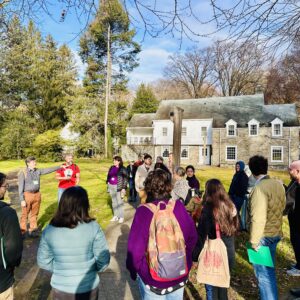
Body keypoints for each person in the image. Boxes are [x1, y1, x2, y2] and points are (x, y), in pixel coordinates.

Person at [126, 169, 198, 299]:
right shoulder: (178, 207)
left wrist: (134, 271)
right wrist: (184, 259)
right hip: (179, 274)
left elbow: (135, 250)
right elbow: (192, 237)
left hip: (152, 279)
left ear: (148, 187)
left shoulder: (143, 212)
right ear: (169, 187)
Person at [37, 186, 110, 299]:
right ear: (85, 205)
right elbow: (103, 259)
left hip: (61, 288)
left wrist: (59, 270)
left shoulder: (49, 230)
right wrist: (93, 270)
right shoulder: (94, 227)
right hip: (88, 287)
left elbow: (43, 261)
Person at [192, 179, 238, 300]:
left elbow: (201, 236)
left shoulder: (208, 210)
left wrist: (194, 256)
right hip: (228, 252)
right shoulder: (230, 206)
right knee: (222, 285)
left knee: (211, 287)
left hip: (213, 255)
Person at [248, 155, 285, 300]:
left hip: (262, 237)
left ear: (252, 171)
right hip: (275, 233)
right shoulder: (278, 184)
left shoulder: (259, 188)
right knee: (269, 273)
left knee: (264, 276)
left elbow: (258, 217)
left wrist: (254, 241)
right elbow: (282, 207)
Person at [18, 156, 61, 237]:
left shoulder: (37, 171)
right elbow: (20, 187)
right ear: (28, 163)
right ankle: (22, 232)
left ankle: (33, 230)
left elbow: (48, 170)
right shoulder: (23, 172)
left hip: (37, 194)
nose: (35, 163)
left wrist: (59, 167)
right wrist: (22, 199)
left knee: (34, 213)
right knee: (25, 214)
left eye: (35, 162)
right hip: (27, 195)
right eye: (34, 162)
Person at [0, 173, 23, 300]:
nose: (6, 188)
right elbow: (14, 248)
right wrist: (12, 265)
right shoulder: (7, 213)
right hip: (2, 280)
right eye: (4, 185)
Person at [285, 160, 300, 276]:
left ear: (298, 171)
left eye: (291, 169)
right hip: (293, 218)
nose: (289, 171)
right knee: (294, 241)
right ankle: (298, 263)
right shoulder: (294, 182)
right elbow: (289, 194)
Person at [106, 156, 128, 223]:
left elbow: (125, 178)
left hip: (118, 187)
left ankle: (121, 216)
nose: (114, 162)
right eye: (114, 160)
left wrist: (124, 188)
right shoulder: (111, 167)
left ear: (119, 161)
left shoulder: (123, 168)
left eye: (115, 160)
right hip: (111, 186)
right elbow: (108, 176)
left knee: (119, 202)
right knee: (114, 202)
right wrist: (108, 182)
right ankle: (116, 216)